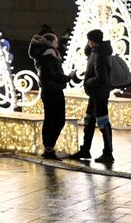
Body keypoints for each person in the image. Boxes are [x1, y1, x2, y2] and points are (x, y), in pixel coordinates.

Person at [72, 30, 116, 164]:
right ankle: (86, 149)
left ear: (92, 40)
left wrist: (87, 82)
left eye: (89, 40)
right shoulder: (96, 51)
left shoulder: (99, 55)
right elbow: (87, 52)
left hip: (99, 92)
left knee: (102, 121)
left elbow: (101, 77)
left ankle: (108, 153)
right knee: (89, 119)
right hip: (95, 93)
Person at [35, 32, 67, 159]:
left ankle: (48, 148)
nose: (58, 44)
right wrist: (68, 78)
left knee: (50, 119)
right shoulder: (50, 57)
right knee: (57, 120)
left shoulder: (44, 56)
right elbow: (55, 75)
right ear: (50, 43)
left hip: (49, 91)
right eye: (56, 42)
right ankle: (49, 148)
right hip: (54, 92)